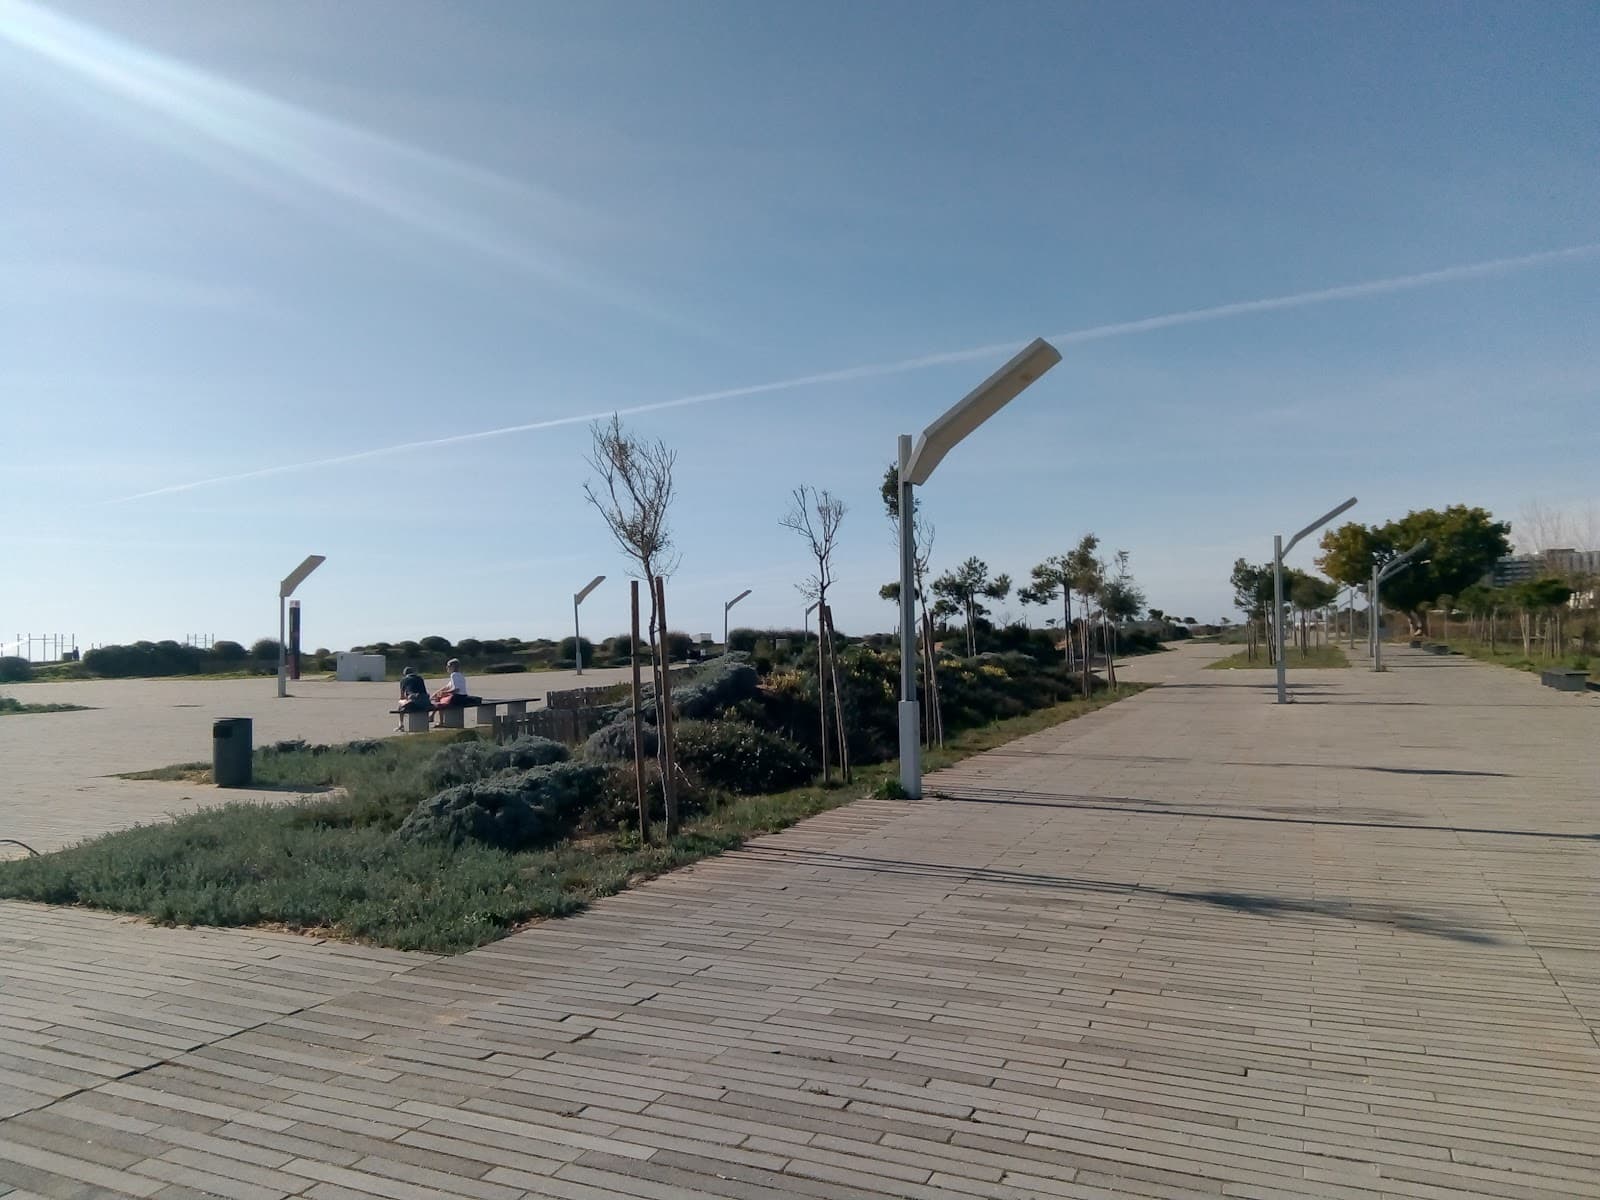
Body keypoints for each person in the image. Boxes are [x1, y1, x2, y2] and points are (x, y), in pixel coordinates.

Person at [429, 658, 478, 725]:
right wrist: (436, 693)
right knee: (439, 696)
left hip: (457, 698)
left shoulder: (454, 675)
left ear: (452, 667)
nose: (446, 668)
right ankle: (432, 717)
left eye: (448, 666)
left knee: (439, 702)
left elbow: (456, 689)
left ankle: (439, 721)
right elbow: (447, 687)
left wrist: (444, 693)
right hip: (463, 696)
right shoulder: (460, 675)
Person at [395, 666, 430, 732]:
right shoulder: (420, 678)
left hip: (415, 701)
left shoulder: (404, 680)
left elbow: (402, 696)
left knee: (400, 703)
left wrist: (405, 701)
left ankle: (401, 725)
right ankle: (401, 725)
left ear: (404, 674)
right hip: (426, 701)